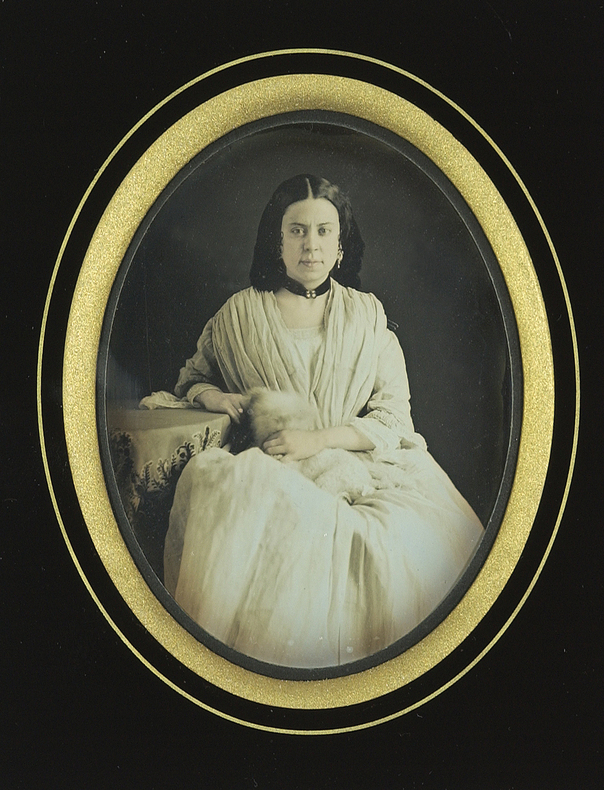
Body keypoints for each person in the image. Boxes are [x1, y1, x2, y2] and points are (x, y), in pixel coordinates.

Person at [163, 174, 483, 670]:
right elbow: (191, 379)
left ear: (340, 244)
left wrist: (316, 440)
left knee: (394, 547)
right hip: (271, 465)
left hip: (355, 460)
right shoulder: (238, 313)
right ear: (277, 240)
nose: (310, 245)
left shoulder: (367, 316)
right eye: (296, 230)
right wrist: (216, 395)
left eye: (323, 231)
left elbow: (393, 415)